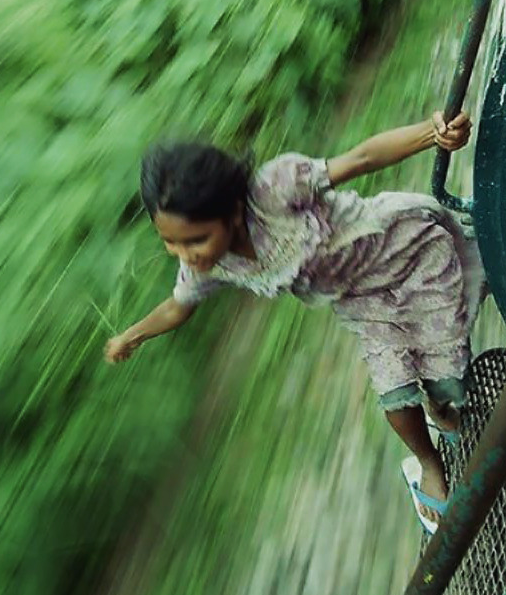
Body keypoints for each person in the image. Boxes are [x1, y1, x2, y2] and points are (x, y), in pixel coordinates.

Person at [105, 112, 483, 528]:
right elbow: (178, 305)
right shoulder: (207, 267)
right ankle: (427, 461)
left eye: (195, 239)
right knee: (394, 393)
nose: (185, 254)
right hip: (364, 303)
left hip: (401, 250)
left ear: (232, 212)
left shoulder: (274, 190)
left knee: (448, 373)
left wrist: (433, 134)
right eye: (170, 242)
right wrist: (133, 336)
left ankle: (442, 399)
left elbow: (360, 159)